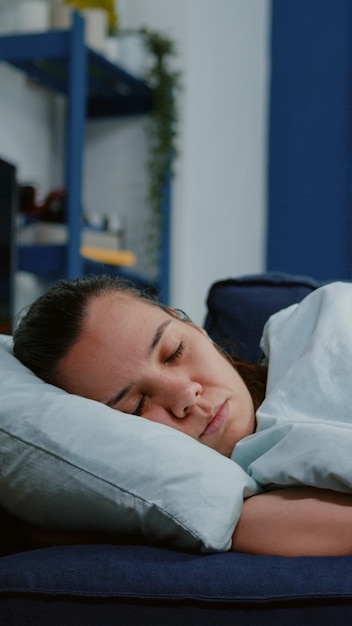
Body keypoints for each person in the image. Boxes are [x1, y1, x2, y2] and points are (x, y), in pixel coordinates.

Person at [13, 274, 352, 556]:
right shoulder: (246, 503)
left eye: (174, 351)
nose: (185, 396)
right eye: (137, 406)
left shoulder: (317, 326)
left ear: (193, 327)